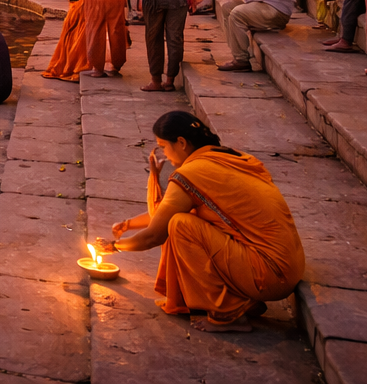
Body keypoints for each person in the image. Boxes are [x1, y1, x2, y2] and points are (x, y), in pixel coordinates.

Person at [101, 112, 305, 333]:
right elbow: (164, 214)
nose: (163, 154)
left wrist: (114, 247)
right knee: (185, 219)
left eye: (163, 146)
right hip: (290, 266)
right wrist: (129, 224)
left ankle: (228, 311)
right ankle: (241, 297)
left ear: (181, 143)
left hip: (269, 275)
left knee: (181, 225)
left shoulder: (192, 173)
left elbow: (155, 235)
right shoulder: (234, 157)